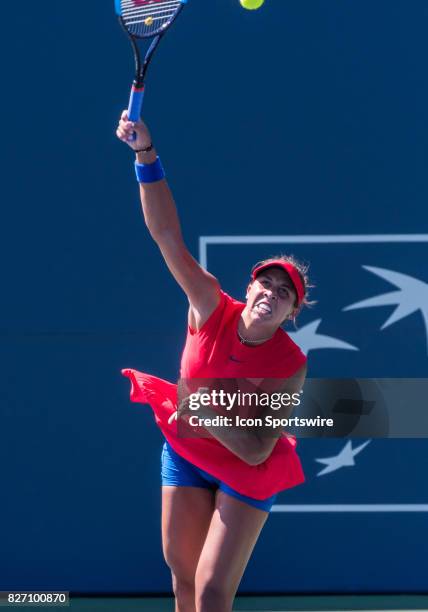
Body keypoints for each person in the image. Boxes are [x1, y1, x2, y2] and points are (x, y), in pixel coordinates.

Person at [116, 110, 310, 612]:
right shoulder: (209, 305)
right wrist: (146, 155)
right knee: (182, 581)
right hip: (186, 454)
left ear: (291, 313)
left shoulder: (289, 363)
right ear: (248, 288)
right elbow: (166, 238)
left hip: (246, 469)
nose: (273, 292)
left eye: (285, 292)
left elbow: (253, 451)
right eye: (266, 283)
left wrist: (204, 413)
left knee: (212, 590)